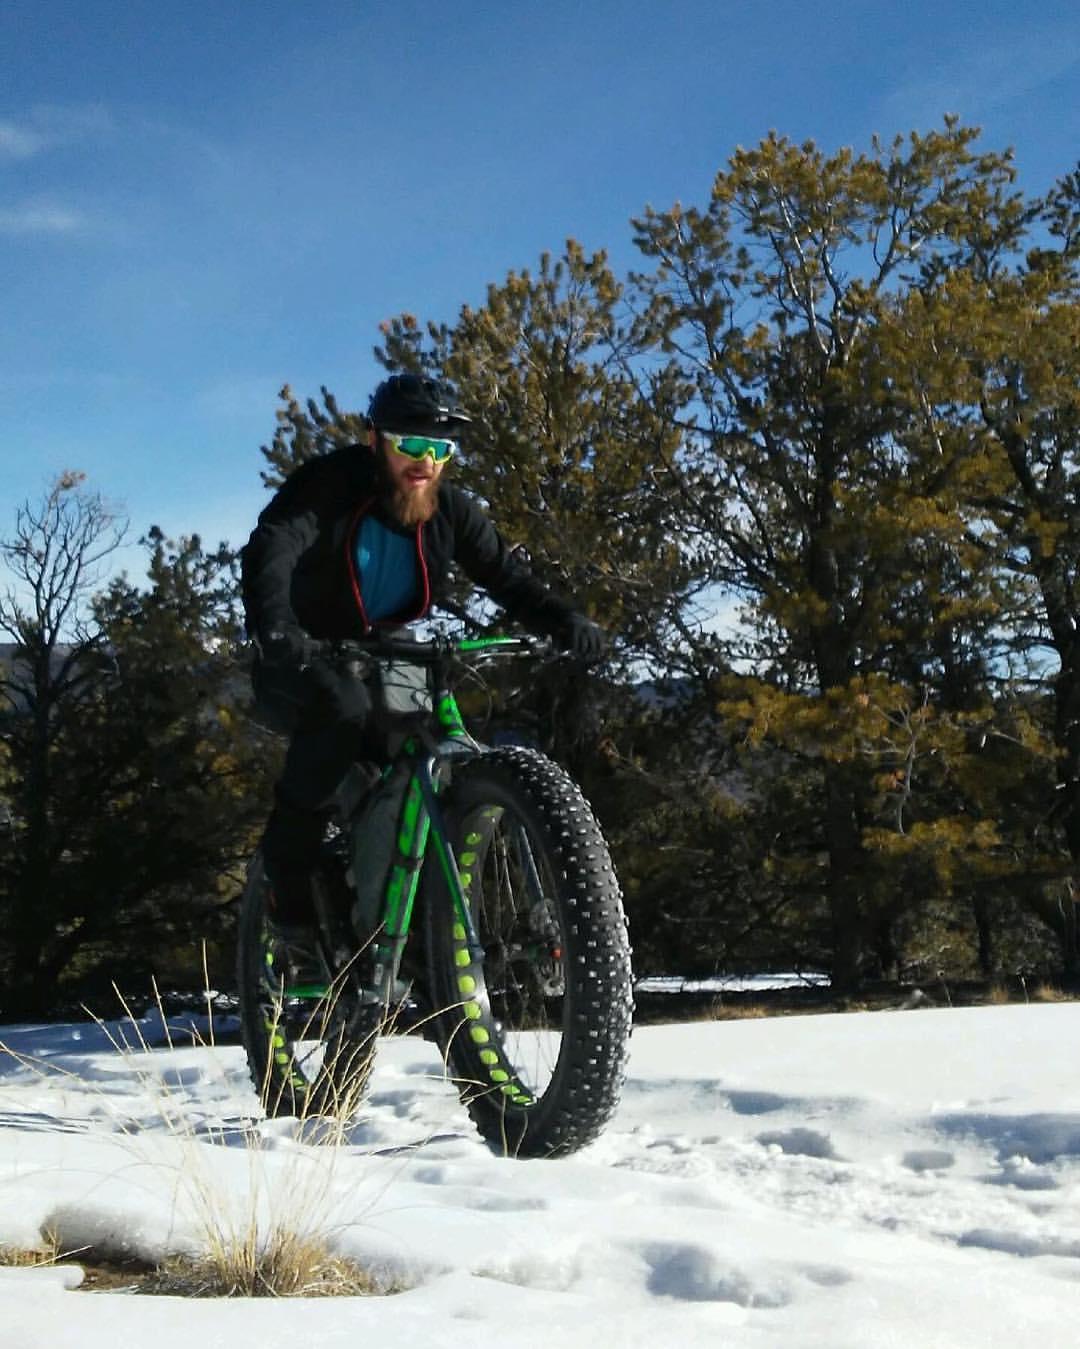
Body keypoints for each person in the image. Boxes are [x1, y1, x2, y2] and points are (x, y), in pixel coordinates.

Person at [241, 373, 604, 958]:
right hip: (303, 647)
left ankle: (393, 911)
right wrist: (276, 626)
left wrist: (565, 621)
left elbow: (505, 576)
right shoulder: (331, 484)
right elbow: (275, 544)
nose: (426, 462)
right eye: (411, 445)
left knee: (422, 748)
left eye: (440, 450)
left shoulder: (450, 511)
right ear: (375, 441)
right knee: (343, 711)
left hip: (385, 648)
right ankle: (289, 888)